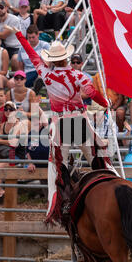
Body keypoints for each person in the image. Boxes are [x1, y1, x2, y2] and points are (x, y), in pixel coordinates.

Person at [10, 26, 118, 224]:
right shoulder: (78, 76)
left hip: (61, 123)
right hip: (79, 120)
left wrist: (19, 35)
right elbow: (93, 94)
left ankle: (55, 208)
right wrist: (106, 104)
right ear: (67, 59)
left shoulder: (47, 74)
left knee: (57, 168)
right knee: (98, 158)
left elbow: (31, 53)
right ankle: (117, 183)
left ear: (51, 60)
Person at [0, 101, 30, 206]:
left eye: (11, 109)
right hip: (4, 153)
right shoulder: (3, 125)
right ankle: (1, 191)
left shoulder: (19, 124)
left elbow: (14, 142)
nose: (8, 111)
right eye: (6, 109)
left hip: (16, 154)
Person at [0, 0, 22, 71]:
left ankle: (15, 78)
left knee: (15, 59)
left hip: (16, 48)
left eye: (1, 7)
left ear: (6, 8)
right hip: (3, 47)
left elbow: (4, 35)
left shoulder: (14, 19)